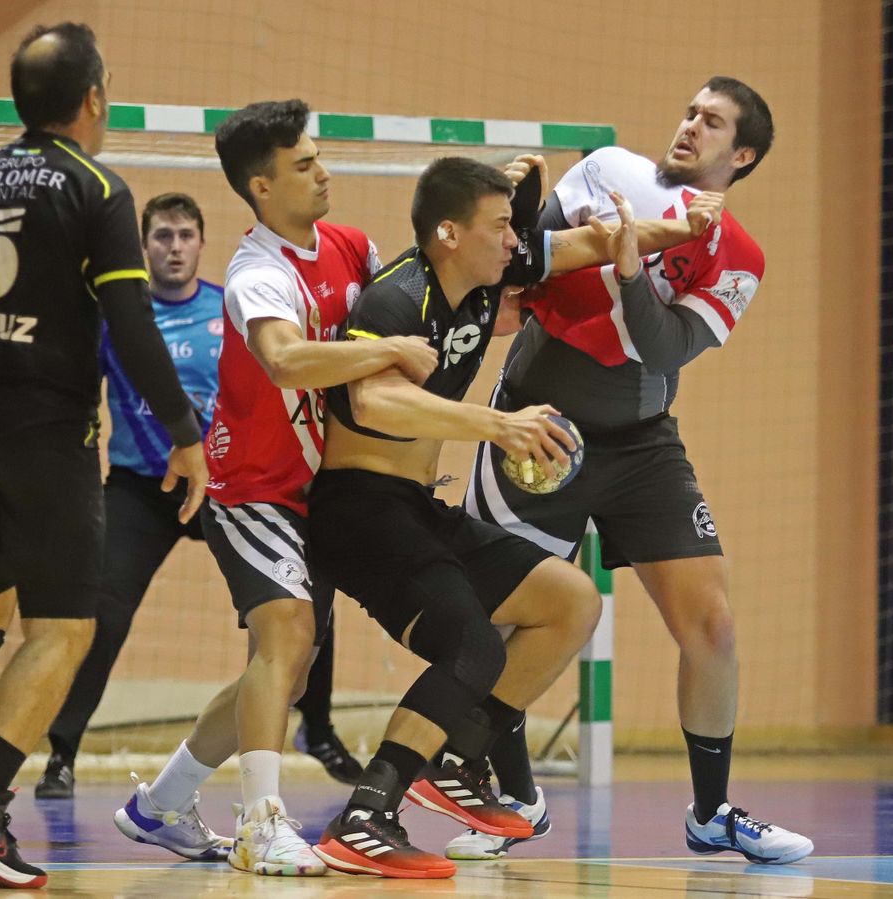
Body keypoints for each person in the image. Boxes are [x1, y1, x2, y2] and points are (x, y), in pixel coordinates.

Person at [305, 155, 707, 879]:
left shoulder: (487, 282)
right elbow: (371, 402)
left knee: (571, 601)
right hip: (358, 510)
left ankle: (456, 754)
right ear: (449, 233)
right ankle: (363, 815)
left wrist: (680, 228)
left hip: (417, 507)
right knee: (472, 646)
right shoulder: (397, 299)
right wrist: (495, 426)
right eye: (500, 227)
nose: (514, 241)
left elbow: (585, 245)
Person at [0, 23, 207, 890]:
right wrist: (184, 432)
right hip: (48, 436)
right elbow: (132, 327)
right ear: (95, 97)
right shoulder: (98, 189)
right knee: (65, 625)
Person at [450, 76, 814, 866]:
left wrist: (628, 269)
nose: (690, 126)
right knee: (507, 627)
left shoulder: (740, 255)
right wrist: (513, 221)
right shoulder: (607, 168)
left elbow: (666, 348)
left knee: (713, 625)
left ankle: (712, 812)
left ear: (741, 154)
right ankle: (515, 798)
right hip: (538, 427)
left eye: (712, 122)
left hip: (643, 445)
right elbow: (523, 271)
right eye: (689, 111)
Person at [112, 99, 437, 878]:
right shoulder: (256, 274)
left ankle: (160, 805)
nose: (324, 172)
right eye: (303, 165)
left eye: (319, 156)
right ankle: (261, 822)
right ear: (261, 187)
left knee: (283, 664)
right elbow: (288, 360)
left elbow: (424, 304)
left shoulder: (353, 247)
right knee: (287, 635)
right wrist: (389, 348)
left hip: (320, 489)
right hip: (252, 484)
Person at [32, 193, 362, 805]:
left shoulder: (231, 306)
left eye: (185, 235)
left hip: (226, 484)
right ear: (145, 246)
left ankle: (317, 731)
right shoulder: (120, 319)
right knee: (102, 613)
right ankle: (61, 751)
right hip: (142, 488)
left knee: (303, 603)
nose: (174, 246)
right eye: (162, 236)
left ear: (201, 243)